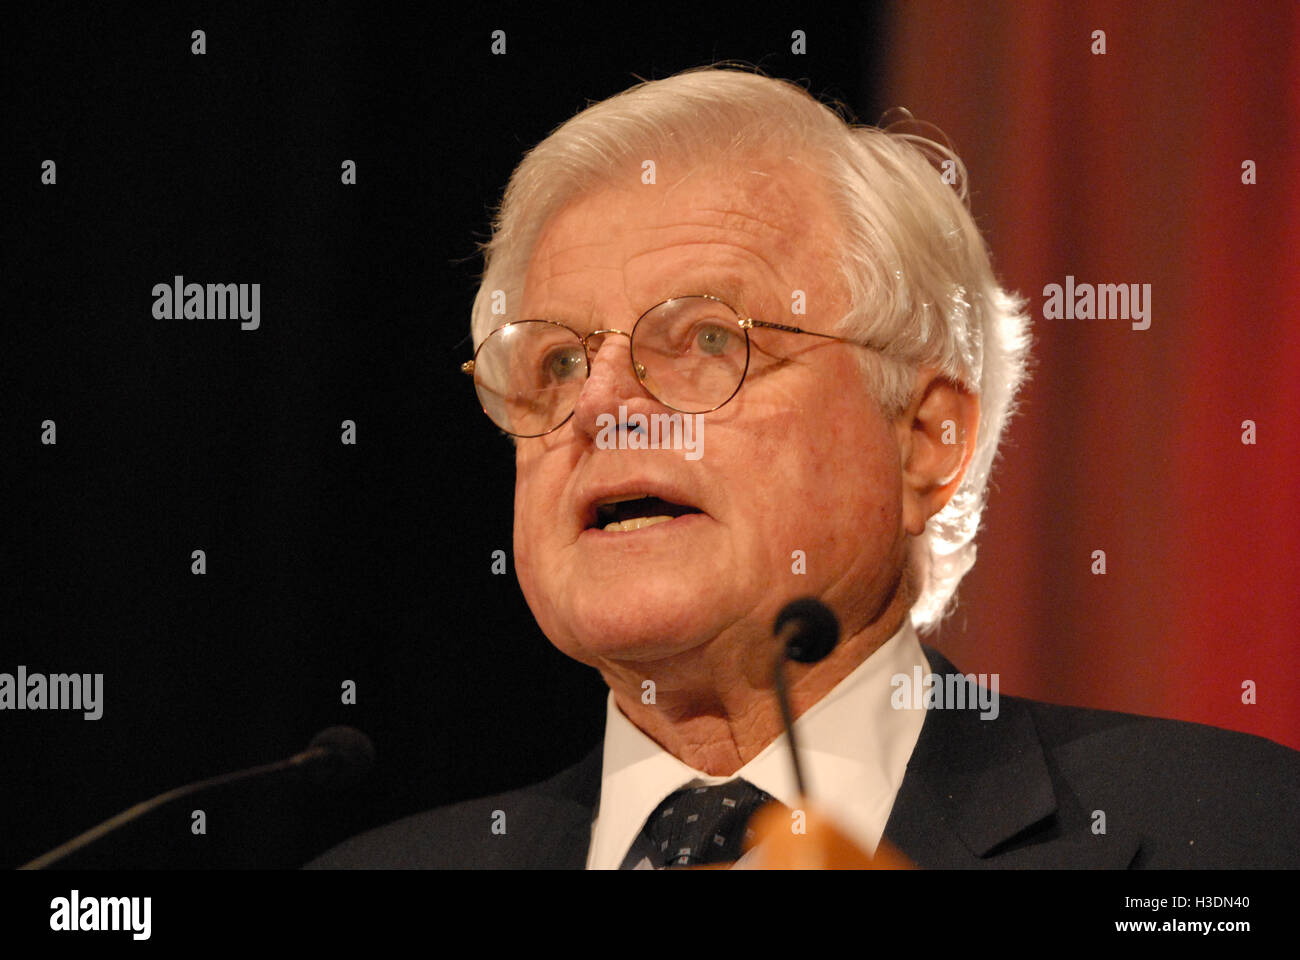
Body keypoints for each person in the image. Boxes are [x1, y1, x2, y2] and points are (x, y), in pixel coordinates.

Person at [308, 66, 1300, 869]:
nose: (602, 407)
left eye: (703, 340)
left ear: (924, 439)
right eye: (558, 361)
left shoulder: (1226, 831)